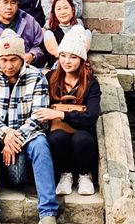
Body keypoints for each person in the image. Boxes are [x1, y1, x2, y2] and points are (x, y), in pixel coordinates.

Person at [0, 29, 61, 224]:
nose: (8, 65)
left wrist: (15, 136)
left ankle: (47, 213)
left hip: (29, 132)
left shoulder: (36, 77)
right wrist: (5, 135)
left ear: (22, 58)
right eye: (3, 60)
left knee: (41, 146)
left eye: (13, 59)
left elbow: (39, 115)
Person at [34, 25, 101, 197]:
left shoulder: (91, 83)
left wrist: (60, 114)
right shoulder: (50, 78)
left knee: (81, 139)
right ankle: (66, 174)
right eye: (63, 56)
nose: (67, 61)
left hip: (83, 132)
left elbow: (91, 116)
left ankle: (85, 175)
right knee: (56, 137)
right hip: (58, 131)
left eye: (73, 57)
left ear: (81, 59)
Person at [43, 0, 91, 64]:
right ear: (54, 12)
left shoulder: (84, 32)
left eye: (66, 8)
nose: (63, 12)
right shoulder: (49, 33)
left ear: (73, 10)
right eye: (58, 9)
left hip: (78, 66)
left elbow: (81, 53)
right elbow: (58, 55)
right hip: (57, 68)